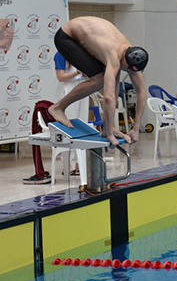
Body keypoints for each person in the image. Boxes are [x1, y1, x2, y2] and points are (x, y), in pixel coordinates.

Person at [47, 16, 148, 146]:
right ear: (126, 60)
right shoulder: (113, 56)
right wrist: (110, 136)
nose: (128, 71)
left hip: (87, 34)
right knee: (100, 80)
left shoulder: (131, 55)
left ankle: (107, 128)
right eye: (127, 68)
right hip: (67, 37)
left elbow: (142, 92)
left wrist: (136, 128)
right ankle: (58, 107)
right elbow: (108, 97)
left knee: (112, 81)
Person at [54, 51, 88, 175]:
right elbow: (60, 77)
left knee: (82, 124)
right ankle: (66, 164)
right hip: (68, 87)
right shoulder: (61, 54)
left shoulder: (83, 53)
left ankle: (80, 162)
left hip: (82, 86)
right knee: (69, 125)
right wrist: (77, 72)